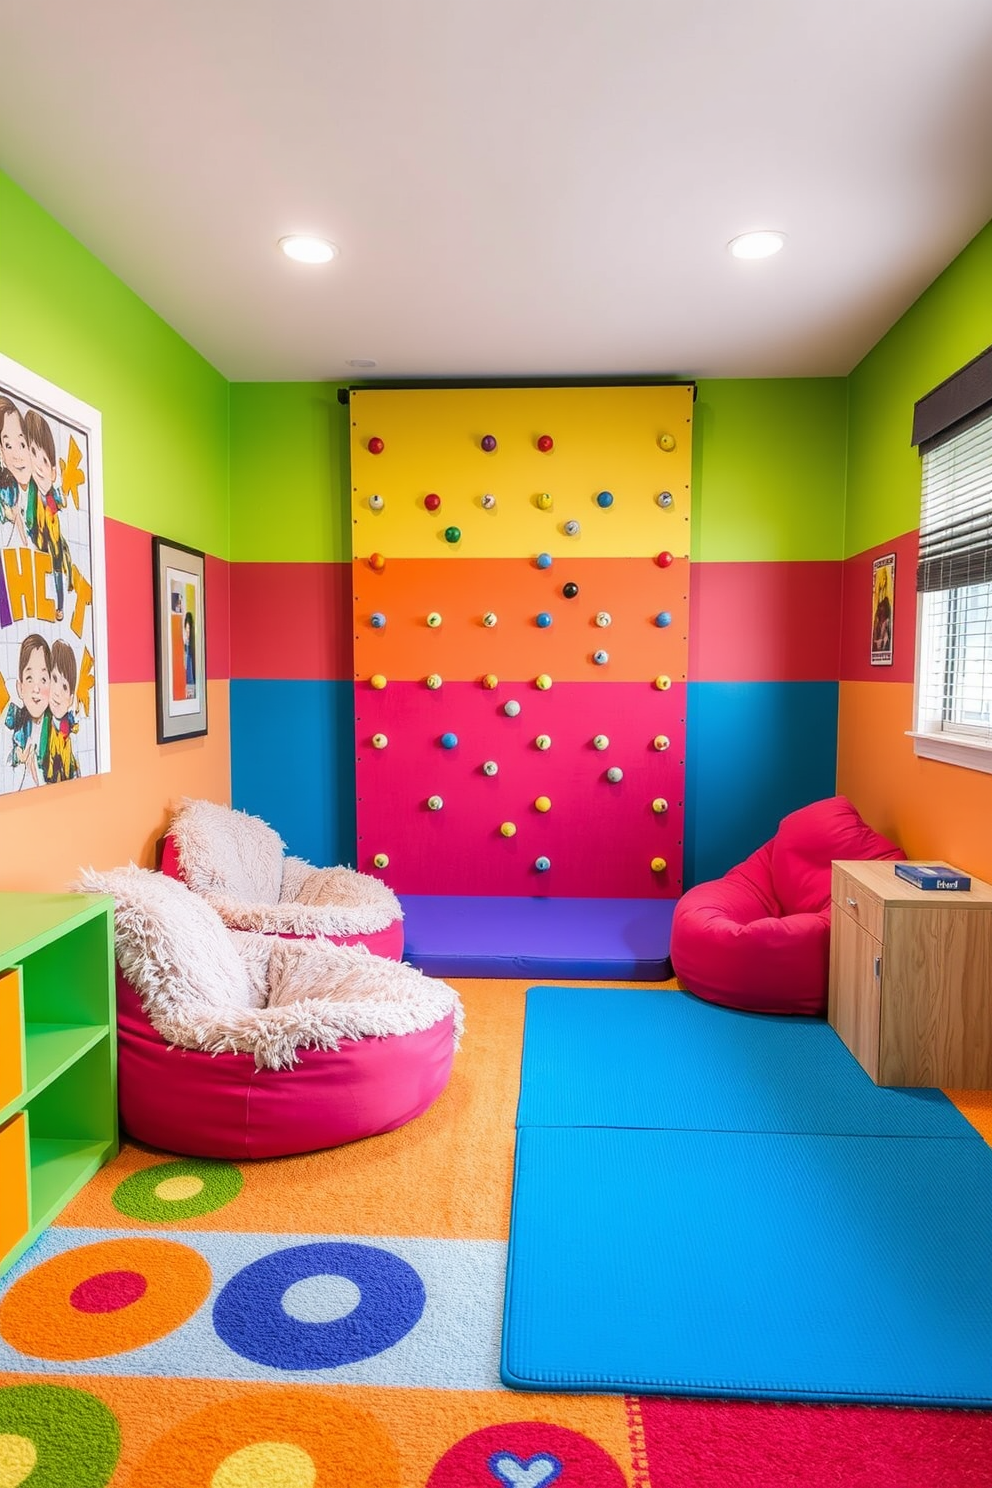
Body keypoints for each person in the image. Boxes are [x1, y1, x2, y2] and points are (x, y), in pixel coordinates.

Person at [24, 408, 72, 620]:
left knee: (58, 569)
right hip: (37, 536)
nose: (38, 465)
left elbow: (60, 504)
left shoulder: (52, 495)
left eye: (44, 460)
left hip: (52, 540)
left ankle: (60, 605)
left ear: (53, 471)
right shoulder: (30, 490)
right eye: (32, 452)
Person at [4, 633, 51, 789]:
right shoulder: (17, 722)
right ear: (20, 687)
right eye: (30, 678)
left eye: (43, 679)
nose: (36, 688)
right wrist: (20, 760)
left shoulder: (54, 726)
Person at [44, 638, 81, 783]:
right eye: (54, 678)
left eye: (65, 687)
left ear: (71, 699)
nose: (57, 692)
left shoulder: (70, 732)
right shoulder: (42, 725)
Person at [0, 396, 34, 548]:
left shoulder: (32, 491)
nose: (17, 455)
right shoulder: (8, 487)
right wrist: (8, 512)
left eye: (21, 444)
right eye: (8, 446)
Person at [872, 567, 892, 655]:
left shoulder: (886, 601)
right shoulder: (877, 602)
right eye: (882, 578)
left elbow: (887, 619)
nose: (883, 581)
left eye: (885, 578)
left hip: (884, 631)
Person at [184, 611, 196, 695]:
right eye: (186, 629)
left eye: (189, 629)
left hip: (191, 681)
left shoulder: (193, 644)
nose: (188, 632)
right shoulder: (185, 643)